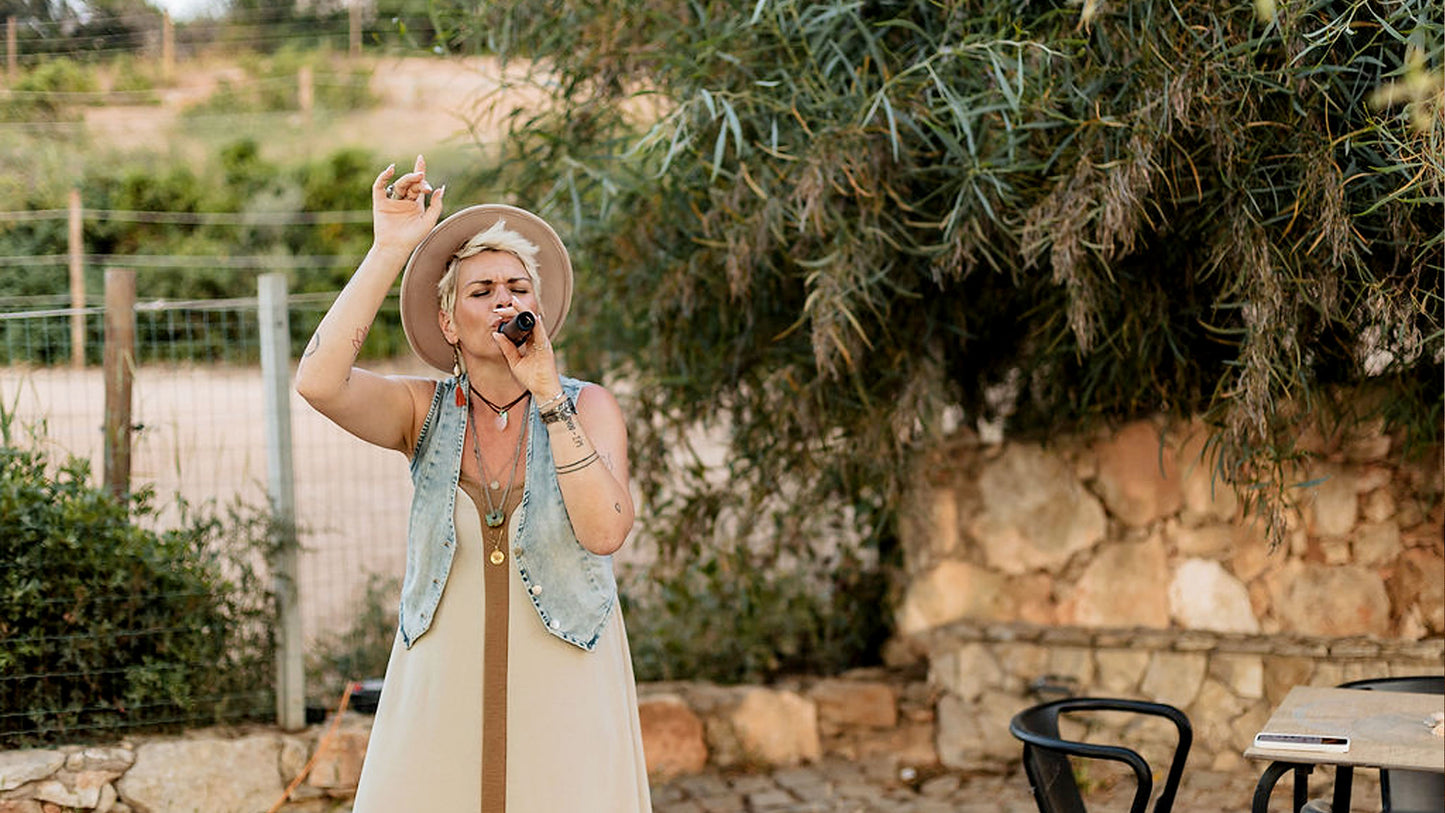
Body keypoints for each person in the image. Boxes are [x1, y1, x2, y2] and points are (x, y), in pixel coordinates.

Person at [295, 155, 652, 811]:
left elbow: (605, 529)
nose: (504, 298)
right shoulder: (420, 411)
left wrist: (546, 392)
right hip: (443, 680)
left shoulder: (587, 405)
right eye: (480, 290)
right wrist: (389, 249)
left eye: (517, 287)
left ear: (537, 310)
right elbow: (318, 382)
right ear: (450, 324)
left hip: (565, 677)